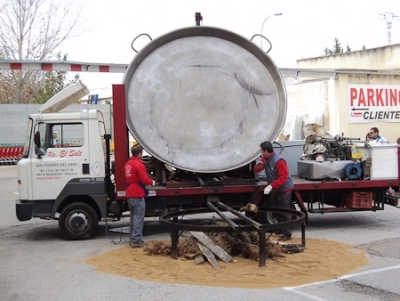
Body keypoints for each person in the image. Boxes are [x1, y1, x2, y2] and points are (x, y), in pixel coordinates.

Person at [254, 141, 294, 241]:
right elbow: (258, 169)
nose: (261, 153)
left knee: (284, 211)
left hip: (284, 189)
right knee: (275, 209)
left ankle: (287, 233)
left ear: (266, 151)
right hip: (275, 189)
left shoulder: (279, 161)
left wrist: (271, 186)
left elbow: (283, 177)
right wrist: (258, 165)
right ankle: (280, 228)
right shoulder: (265, 158)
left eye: (262, 151)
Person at [124, 145, 155, 248]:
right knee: (138, 218)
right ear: (139, 154)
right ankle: (136, 240)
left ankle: (132, 239)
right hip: (137, 194)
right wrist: (152, 182)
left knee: (133, 217)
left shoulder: (128, 164)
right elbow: (144, 179)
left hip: (129, 193)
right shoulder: (139, 165)